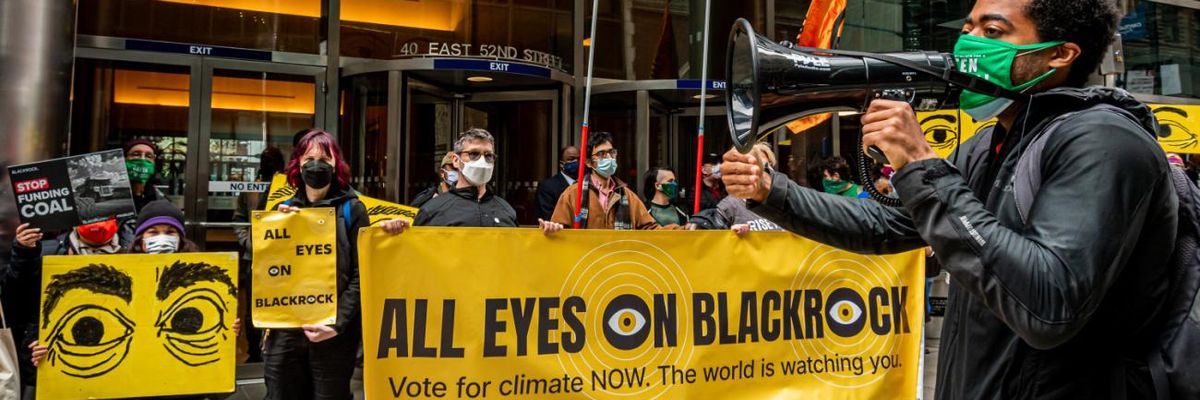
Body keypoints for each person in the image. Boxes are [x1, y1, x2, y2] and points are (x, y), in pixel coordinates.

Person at [721, 0, 1175, 398]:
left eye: (993, 32)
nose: (969, 44)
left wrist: (920, 161)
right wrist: (771, 191)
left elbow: (1048, 303)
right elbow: (893, 227)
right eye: (968, 28)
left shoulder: (1104, 141)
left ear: (1059, 54)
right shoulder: (990, 142)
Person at [266, 128, 368, 400]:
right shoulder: (283, 208)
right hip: (287, 329)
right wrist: (276, 229)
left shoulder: (352, 209)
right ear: (298, 163)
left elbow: (362, 273)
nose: (317, 164)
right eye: (310, 157)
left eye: (325, 157)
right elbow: (267, 269)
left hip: (332, 332)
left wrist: (337, 323)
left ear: (336, 164)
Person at [3, 218, 128, 398]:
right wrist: (23, 252)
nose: (97, 221)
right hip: (51, 370)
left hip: (115, 371)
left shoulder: (132, 253)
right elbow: (16, 300)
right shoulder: (47, 252)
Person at [544, 131, 690, 232]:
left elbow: (650, 229)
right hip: (586, 269)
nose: (609, 157)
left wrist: (685, 229)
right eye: (601, 154)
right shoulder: (573, 194)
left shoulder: (627, 195)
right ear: (589, 162)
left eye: (611, 152)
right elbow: (560, 229)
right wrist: (552, 228)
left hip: (618, 267)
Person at [406, 129, 518, 228]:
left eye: (488, 155)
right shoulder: (432, 211)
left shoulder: (506, 210)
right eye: (474, 154)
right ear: (456, 160)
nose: (482, 161)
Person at [717, 144, 782, 235]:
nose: (761, 172)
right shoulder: (729, 206)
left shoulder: (780, 202)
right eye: (754, 166)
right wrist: (729, 233)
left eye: (767, 166)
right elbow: (714, 240)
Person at [536, 146, 580, 221]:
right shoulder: (547, 187)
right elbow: (548, 218)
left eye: (578, 159)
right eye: (571, 159)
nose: (576, 162)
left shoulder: (586, 184)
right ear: (561, 164)